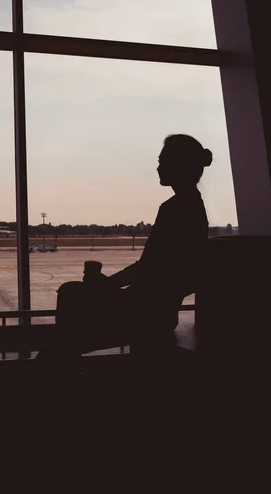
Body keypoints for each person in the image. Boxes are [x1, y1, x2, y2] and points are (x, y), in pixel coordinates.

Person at [35, 134, 212, 375]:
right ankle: (64, 362)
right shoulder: (190, 206)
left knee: (69, 296)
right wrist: (109, 285)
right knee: (69, 308)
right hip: (155, 308)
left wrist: (107, 284)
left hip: (147, 312)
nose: (158, 167)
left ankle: (61, 369)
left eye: (162, 161)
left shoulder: (176, 208)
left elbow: (149, 269)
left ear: (177, 164)